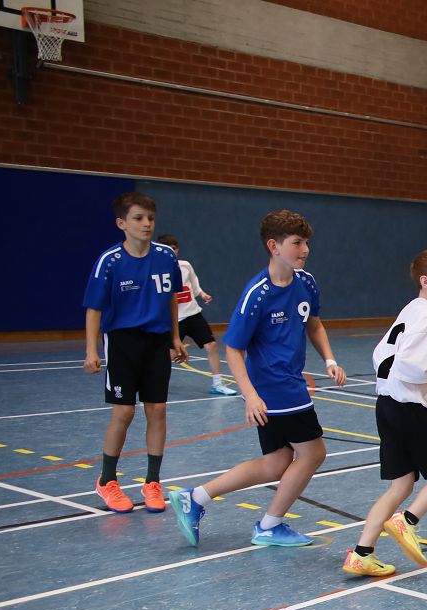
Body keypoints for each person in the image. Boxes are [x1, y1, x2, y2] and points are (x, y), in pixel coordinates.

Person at [167, 210, 347, 548]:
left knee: (276, 463)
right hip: (275, 388)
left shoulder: (306, 282)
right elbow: (233, 349)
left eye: (306, 242)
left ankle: (197, 496)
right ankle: (269, 525)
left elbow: (314, 324)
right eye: (297, 243)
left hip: (287, 382)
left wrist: (330, 359)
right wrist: (250, 395)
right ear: (274, 246)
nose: (305, 249)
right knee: (313, 454)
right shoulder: (258, 294)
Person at [342, 250, 427, 577]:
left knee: (400, 486)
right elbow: (410, 367)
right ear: (425, 281)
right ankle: (407, 521)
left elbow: (384, 356)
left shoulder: (411, 310)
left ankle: (362, 553)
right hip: (411, 409)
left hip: (387, 406)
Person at [83, 192, 188, 513]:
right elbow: (94, 308)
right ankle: (107, 480)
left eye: (150, 218)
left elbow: (171, 297)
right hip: (123, 341)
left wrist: (175, 337)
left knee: (157, 410)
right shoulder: (110, 261)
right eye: (139, 218)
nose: (146, 224)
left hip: (157, 341)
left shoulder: (166, 257)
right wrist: (91, 350)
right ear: (122, 223)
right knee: (124, 412)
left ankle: (152, 482)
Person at [155, 234, 237, 397]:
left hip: (193, 314)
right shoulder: (157, 271)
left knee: (211, 345)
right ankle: (152, 382)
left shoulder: (185, 266)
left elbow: (194, 285)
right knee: (170, 354)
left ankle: (217, 384)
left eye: (174, 249)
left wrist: (202, 294)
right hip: (175, 320)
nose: (172, 252)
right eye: (168, 249)